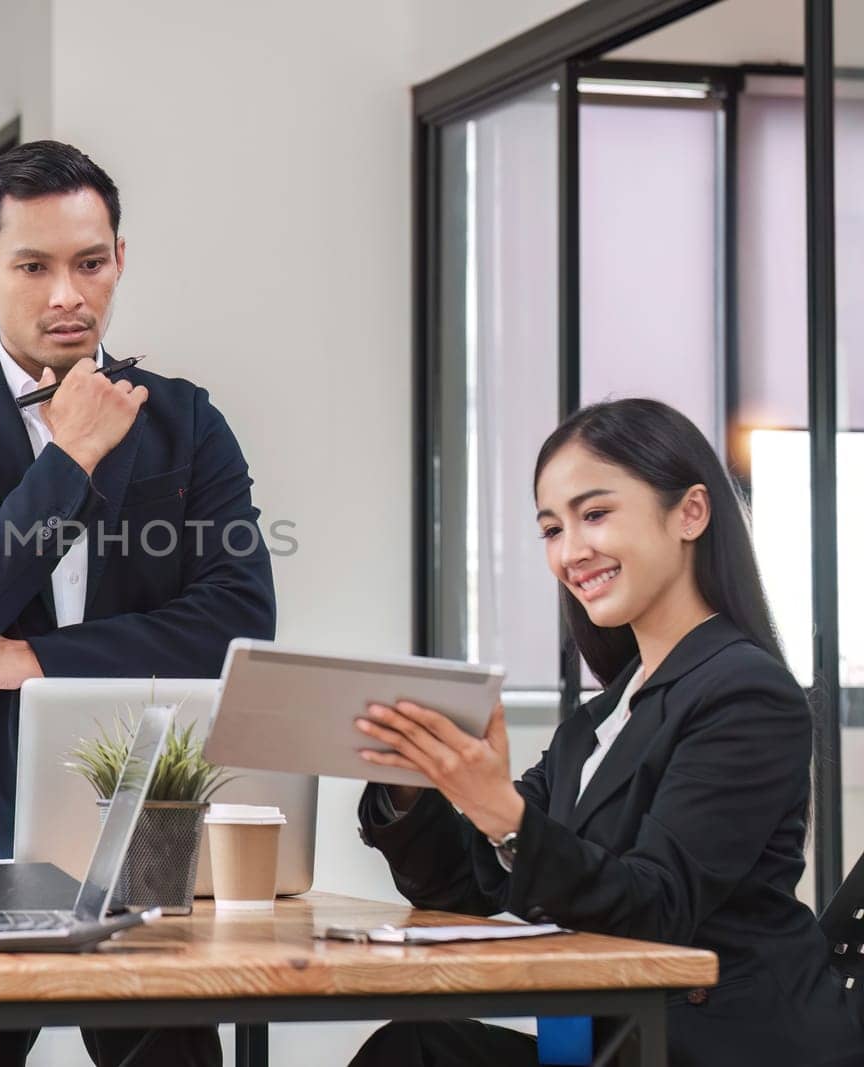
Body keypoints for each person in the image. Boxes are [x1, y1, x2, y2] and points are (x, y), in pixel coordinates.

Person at [0, 140, 274, 1066]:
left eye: (90, 263)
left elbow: (239, 620)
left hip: (145, 811)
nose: (67, 295)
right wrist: (71, 457)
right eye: (34, 266)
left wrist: (34, 658)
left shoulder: (187, 420)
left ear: (119, 259)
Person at [348, 398, 864, 1067]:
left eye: (594, 514)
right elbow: (469, 888)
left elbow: (656, 905)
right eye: (551, 529)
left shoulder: (748, 693)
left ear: (691, 512)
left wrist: (500, 811)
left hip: (719, 1047)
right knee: (412, 1047)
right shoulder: (604, 715)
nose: (570, 551)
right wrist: (416, 780)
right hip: (625, 1042)